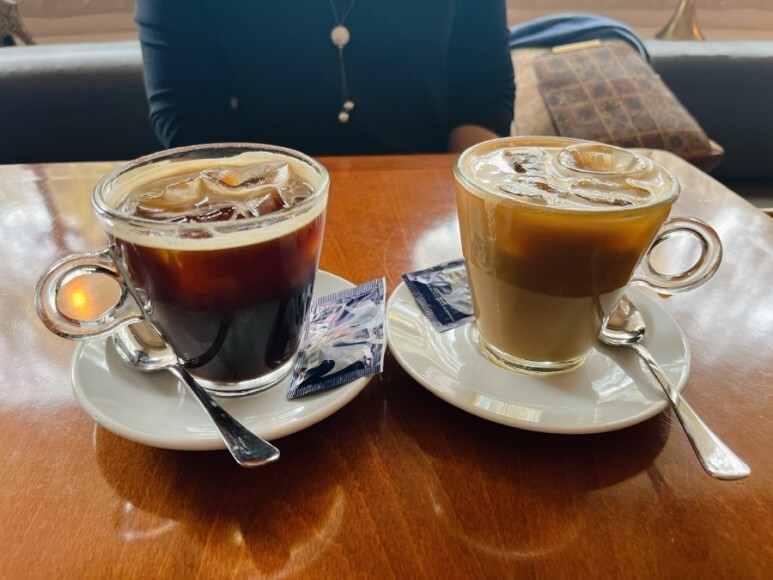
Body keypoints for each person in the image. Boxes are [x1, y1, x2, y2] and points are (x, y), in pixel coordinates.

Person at [134, 0, 515, 156]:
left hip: (429, 203)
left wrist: (464, 207)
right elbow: (187, 113)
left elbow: (482, 92)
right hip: (257, 206)